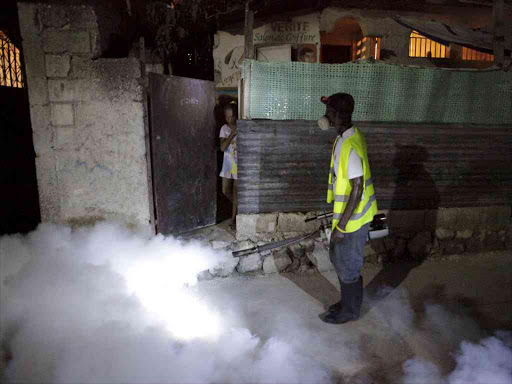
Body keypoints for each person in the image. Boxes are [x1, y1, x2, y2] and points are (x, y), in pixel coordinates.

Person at [318, 93, 378, 324]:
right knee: (338, 258)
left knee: (348, 264)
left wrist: (342, 226)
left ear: (337, 114)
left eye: (329, 111)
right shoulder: (344, 137)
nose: (326, 115)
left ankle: (350, 311)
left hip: (353, 220)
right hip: (347, 216)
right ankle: (347, 302)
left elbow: (357, 188)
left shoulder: (349, 145)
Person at [219, 103, 238, 226]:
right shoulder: (224, 129)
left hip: (238, 165)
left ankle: (233, 220)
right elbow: (222, 147)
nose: (229, 119)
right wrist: (233, 133)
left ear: (236, 115)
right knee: (225, 190)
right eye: (227, 117)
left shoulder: (242, 127)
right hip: (227, 165)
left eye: (231, 116)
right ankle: (239, 207)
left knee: (236, 192)